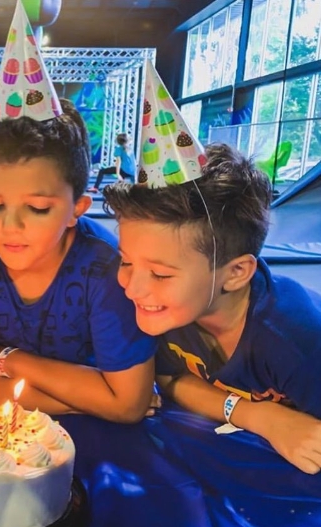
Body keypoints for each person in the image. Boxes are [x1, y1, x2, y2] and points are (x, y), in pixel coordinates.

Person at [0, 98, 156, 421]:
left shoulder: (106, 267)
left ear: (76, 209)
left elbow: (129, 406)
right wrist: (93, 400)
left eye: (37, 208)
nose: (9, 228)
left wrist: (5, 359)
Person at [103, 142, 321, 474]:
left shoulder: (294, 341)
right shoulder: (167, 310)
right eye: (126, 261)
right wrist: (260, 415)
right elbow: (169, 376)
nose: (132, 288)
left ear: (235, 273)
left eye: (160, 274)